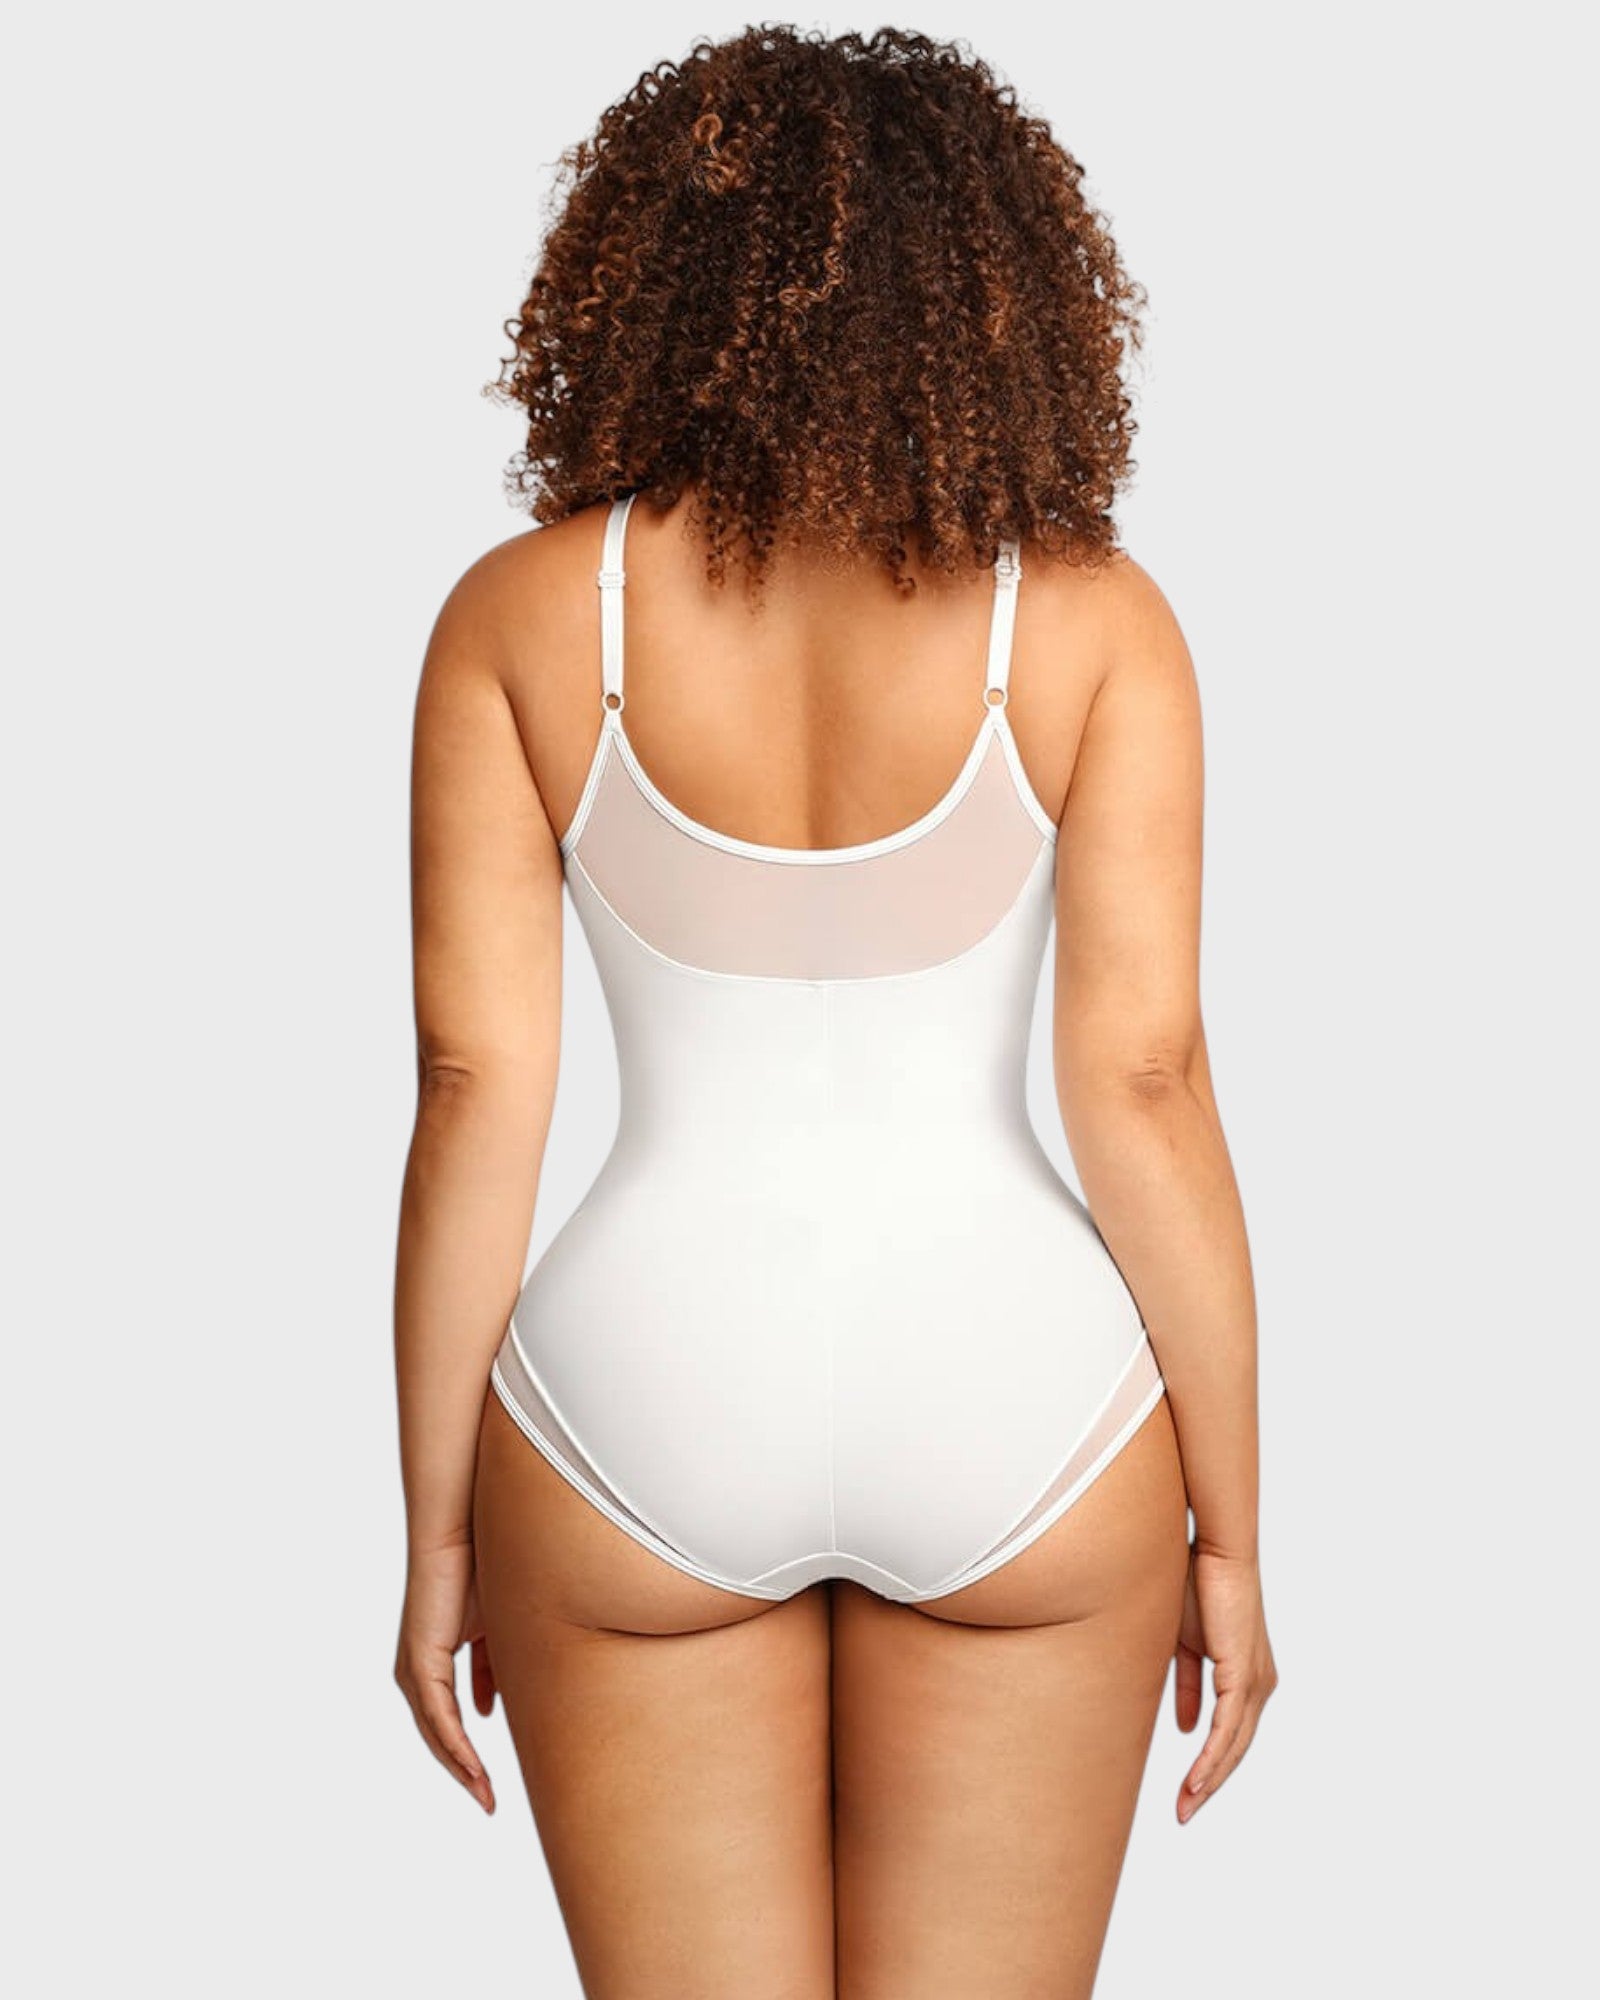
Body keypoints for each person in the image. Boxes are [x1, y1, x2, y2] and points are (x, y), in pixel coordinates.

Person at [392, 23, 1276, 1998]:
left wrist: (439, 1532)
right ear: (997, 289)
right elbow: (1142, 1080)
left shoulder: (519, 620)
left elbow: (474, 1086)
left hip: (637, 1403)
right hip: (1019, 1405)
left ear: (644, 289)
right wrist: (1227, 1527)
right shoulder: (1089, 622)